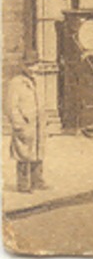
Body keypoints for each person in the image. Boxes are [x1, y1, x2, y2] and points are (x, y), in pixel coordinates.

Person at [7, 65, 46, 193]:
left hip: (37, 124)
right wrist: (18, 123)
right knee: (23, 155)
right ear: (23, 67)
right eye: (30, 66)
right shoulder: (16, 83)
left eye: (35, 65)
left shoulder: (36, 80)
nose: (33, 69)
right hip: (25, 124)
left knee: (37, 152)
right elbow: (11, 106)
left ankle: (37, 181)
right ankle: (23, 185)